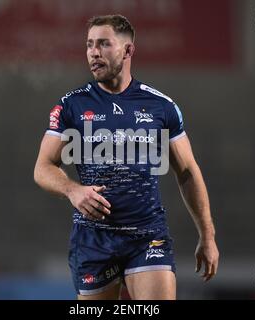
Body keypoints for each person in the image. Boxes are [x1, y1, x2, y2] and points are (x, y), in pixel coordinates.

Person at [34, 14, 219, 300]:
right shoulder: (71, 106)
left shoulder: (161, 106)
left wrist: (207, 235)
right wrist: (73, 190)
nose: (93, 52)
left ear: (128, 51)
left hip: (147, 236)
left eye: (104, 44)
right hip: (94, 239)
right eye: (89, 44)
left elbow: (187, 172)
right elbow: (42, 168)